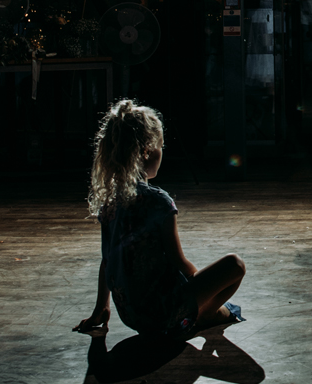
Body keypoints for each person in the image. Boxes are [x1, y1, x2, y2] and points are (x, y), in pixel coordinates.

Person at [73, 99, 246, 340]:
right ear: (146, 151)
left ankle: (204, 313)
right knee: (234, 265)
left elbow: (107, 260)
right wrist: (202, 287)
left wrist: (101, 309)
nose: (162, 153)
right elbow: (179, 264)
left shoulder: (110, 202)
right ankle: (204, 314)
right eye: (161, 147)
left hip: (133, 317)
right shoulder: (159, 202)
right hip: (165, 314)